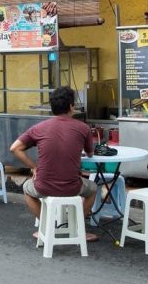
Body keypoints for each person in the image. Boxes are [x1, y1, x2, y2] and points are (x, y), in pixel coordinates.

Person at [10, 86, 99, 241]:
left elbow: (14, 148)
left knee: (26, 188)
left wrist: (34, 167)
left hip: (43, 186)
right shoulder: (83, 128)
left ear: (52, 108)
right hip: (73, 187)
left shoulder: (38, 128)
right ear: (71, 106)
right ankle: (77, 228)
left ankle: (46, 228)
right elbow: (90, 154)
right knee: (92, 189)